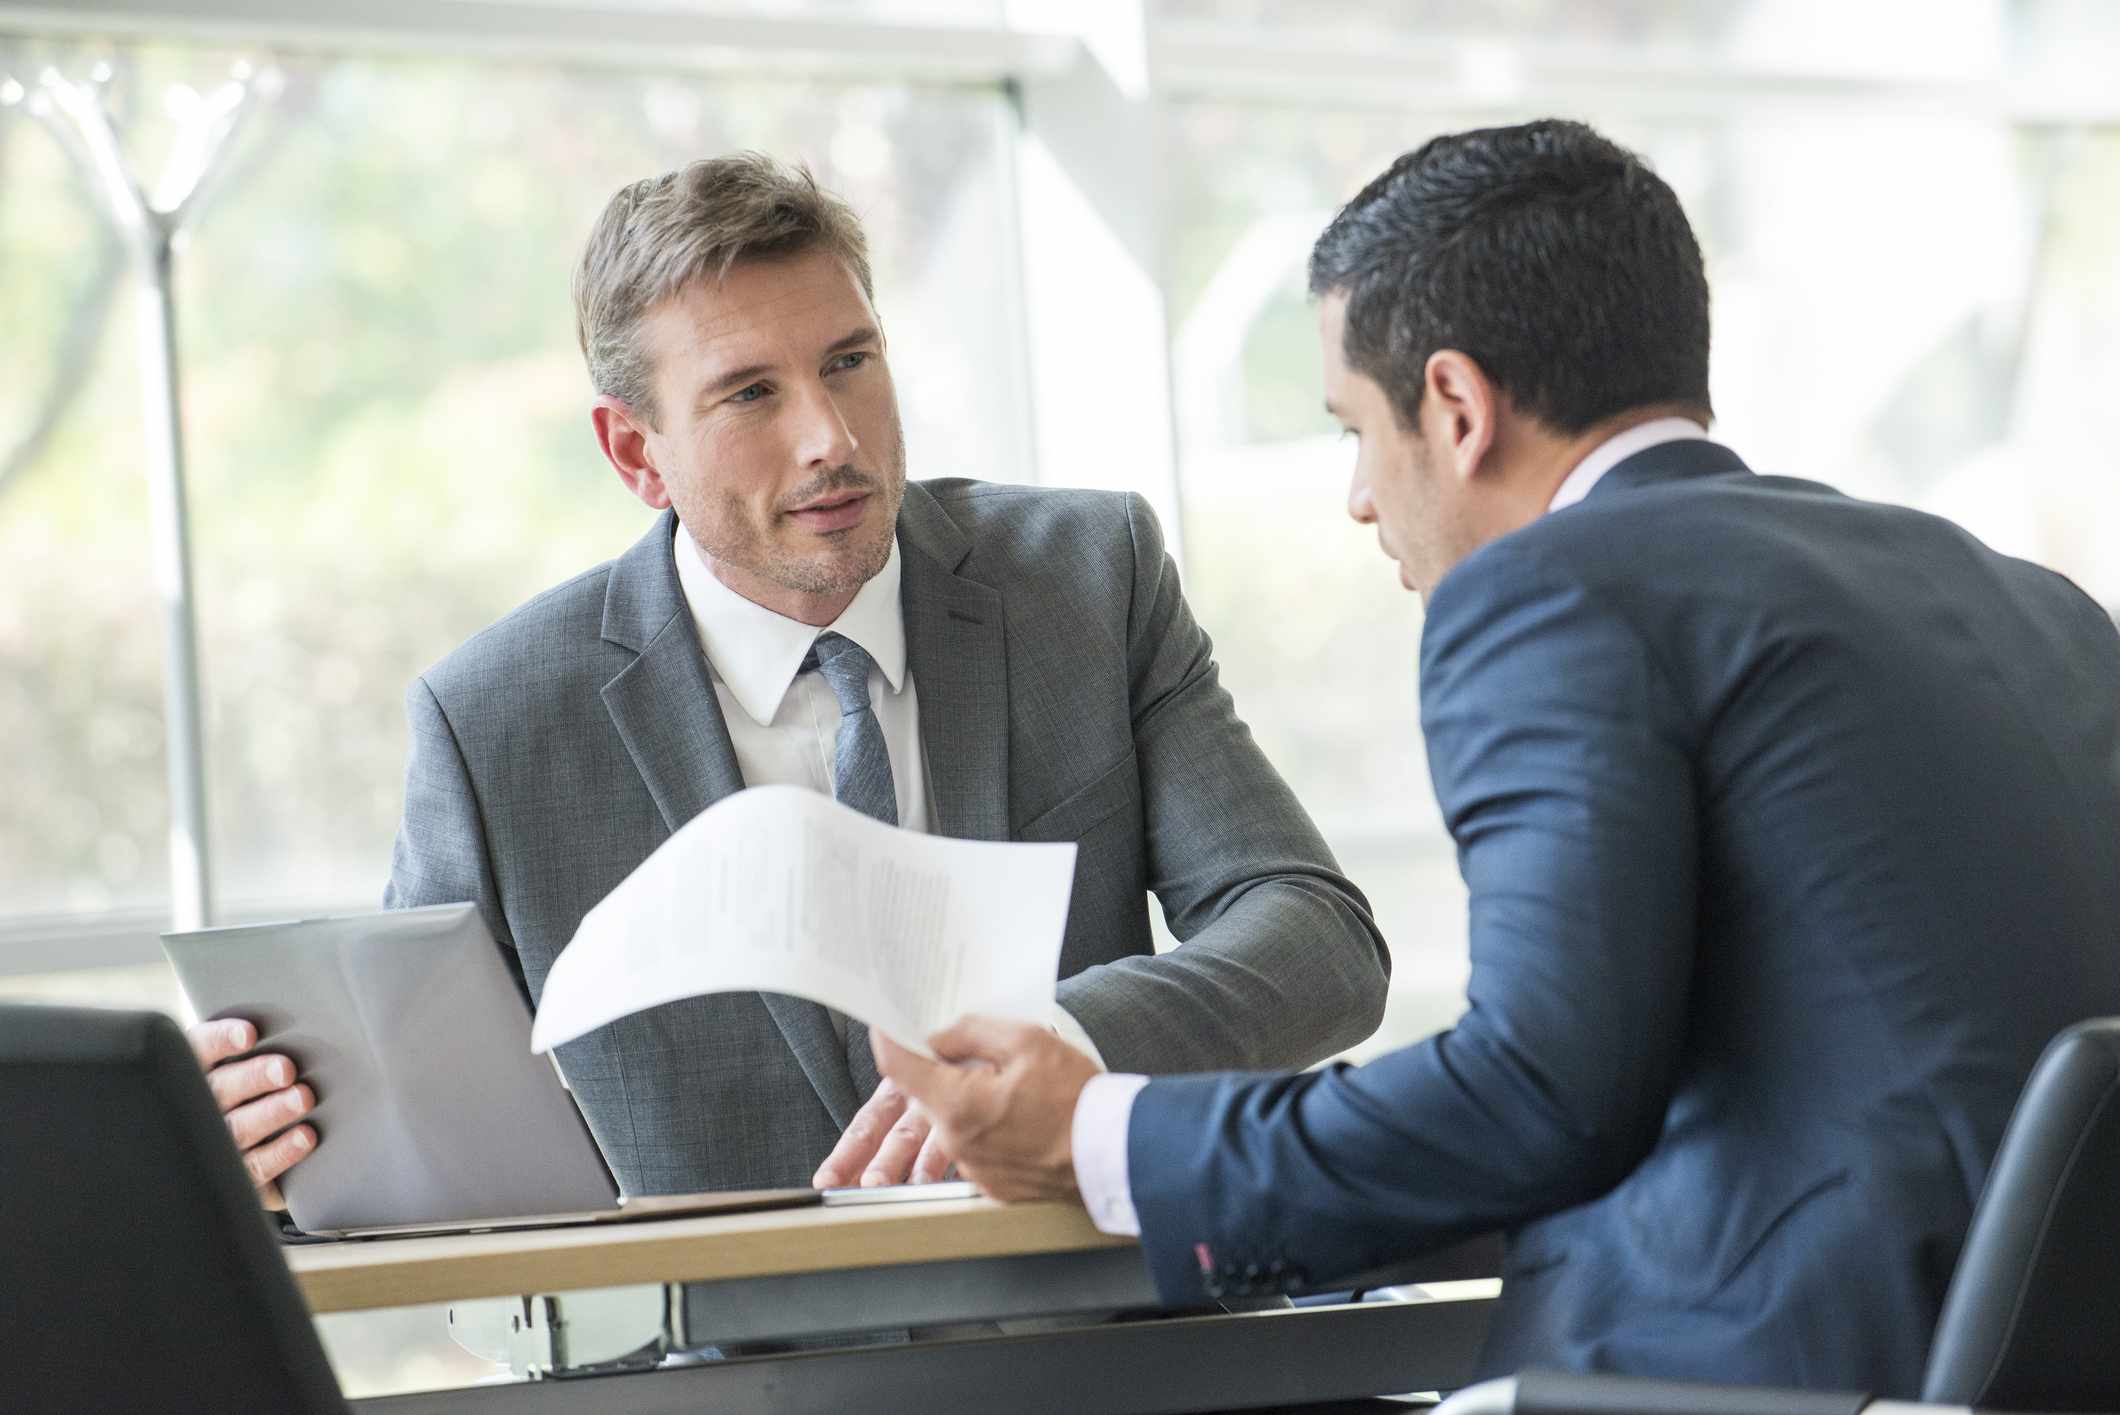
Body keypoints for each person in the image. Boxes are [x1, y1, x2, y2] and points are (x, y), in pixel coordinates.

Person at [875, 118, 2120, 1396]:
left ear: (1457, 407)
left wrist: (1092, 1134)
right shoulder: (2027, 601)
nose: (1359, 495)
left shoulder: (1549, 592)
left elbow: (1541, 1089)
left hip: (1760, 1372)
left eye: (1355, 429)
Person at [187, 153, 1390, 1209]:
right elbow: (424, 1127)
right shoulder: (496, 720)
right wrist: (278, 1138)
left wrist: (1068, 1035)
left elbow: (1318, 944)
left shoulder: (1087, 581)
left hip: (1088, 1337)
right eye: (750, 393)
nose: (831, 437)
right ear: (631, 451)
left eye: (849, 361)